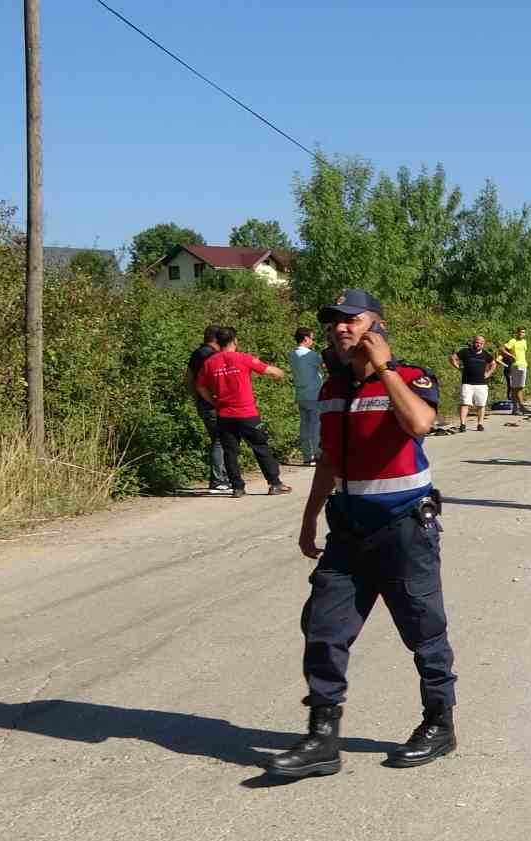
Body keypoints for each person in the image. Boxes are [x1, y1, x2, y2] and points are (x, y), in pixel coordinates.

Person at [268, 288, 459, 779]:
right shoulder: (332, 390)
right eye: (335, 322)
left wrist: (386, 369)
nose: (341, 328)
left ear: (377, 328)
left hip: (404, 529)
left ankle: (439, 724)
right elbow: (330, 459)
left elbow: (420, 424)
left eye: (352, 320)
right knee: (323, 628)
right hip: (348, 529)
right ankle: (322, 738)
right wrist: (310, 516)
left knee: (424, 630)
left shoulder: (412, 377)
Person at [195, 326, 291, 498]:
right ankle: (274, 483)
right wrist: (280, 374)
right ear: (235, 340)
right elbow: (271, 371)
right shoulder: (243, 358)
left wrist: (214, 401)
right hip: (247, 413)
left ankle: (237, 487)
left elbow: (200, 386)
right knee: (261, 447)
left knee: (230, 452)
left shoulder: (209, 363)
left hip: (224, 414)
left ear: (217, 342)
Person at [187, 325, 229, 494]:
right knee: (220, 440)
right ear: (215, 339)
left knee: (218, 439)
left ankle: (222, 478)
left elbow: (188, 378)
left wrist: (196, 398)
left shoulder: (196, 354)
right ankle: (218, 480)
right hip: (214, 403)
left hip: (202, 402)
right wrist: (215, 399)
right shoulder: (213, 356)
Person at [289, 327, 324, 465]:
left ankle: (307, 456)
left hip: (301, 394)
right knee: (316, 425)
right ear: (306, 339)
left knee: (304, 425)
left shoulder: (292, 354)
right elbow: (323, 365)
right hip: (314, 394)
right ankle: (318, 454)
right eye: (312, 338)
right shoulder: (311, 355)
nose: (312, 341)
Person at [449, 335, 498, 432]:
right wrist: (457, 367)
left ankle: (480, 424)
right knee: (465, 403)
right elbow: (452, 357)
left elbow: (493, 363)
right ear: (473, 342)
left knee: (481, 404)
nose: (478, 344)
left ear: (483, 344)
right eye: (476, 342)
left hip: (481, 384)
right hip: (467, 383)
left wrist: (488, 373)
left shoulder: (486, 354)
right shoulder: (465, 352)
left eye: (480, 343)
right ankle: (462, 424)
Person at [499, 327, 530, 415]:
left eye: (523, 332)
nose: (521, 334)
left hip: (524, 365)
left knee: (520, 387)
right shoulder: (513, 341)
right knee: (515, 388)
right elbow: (501, 348)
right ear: (517, 333)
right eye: (520, 332)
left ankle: (519, 407)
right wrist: (510, 356)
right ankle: (518, 408)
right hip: (516, 366)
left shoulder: (524, 342)